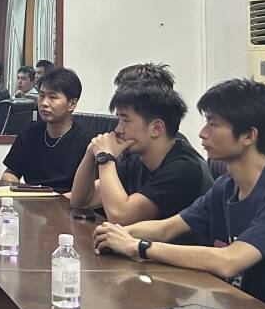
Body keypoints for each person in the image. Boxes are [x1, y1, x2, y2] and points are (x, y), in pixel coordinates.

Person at [93, 78, 265, 309]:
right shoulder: (227, 185)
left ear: (248, 136)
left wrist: (139, 247)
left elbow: (229, 261)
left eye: (213, 124)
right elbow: (168, 228)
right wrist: (117, 235)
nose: (202, 133)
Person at [69, 80, 211, 226]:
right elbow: (81, 201)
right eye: (119, 120)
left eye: (125, 120)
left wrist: (105, 157)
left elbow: (120, 217)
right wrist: (91, 151)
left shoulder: (184, 168)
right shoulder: (138, 161)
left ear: (156, 128)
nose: (118, 129)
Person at [0, 67, 93, 192]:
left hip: (69, 202)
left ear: (72, 104)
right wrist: (15, 189)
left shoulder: (87, 141)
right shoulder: (29, 134)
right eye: (42, 96)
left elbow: (92, 191)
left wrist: (57, 200)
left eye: (53, 97)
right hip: (33, 200)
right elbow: (10, 173)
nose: (44, 103)